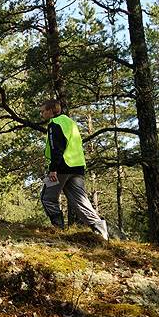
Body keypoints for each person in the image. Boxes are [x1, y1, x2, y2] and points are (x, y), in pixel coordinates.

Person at [40, 100, 108, 240]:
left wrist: (53, 169)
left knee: (47, 197)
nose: (41, 113)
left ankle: (59, 229)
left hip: (61, 168)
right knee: (80, 201)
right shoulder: (70, 122)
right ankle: (101, 231)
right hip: (77, 168)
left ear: (52, 110)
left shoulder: (54, 124)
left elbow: (56, 148)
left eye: (43, 111)